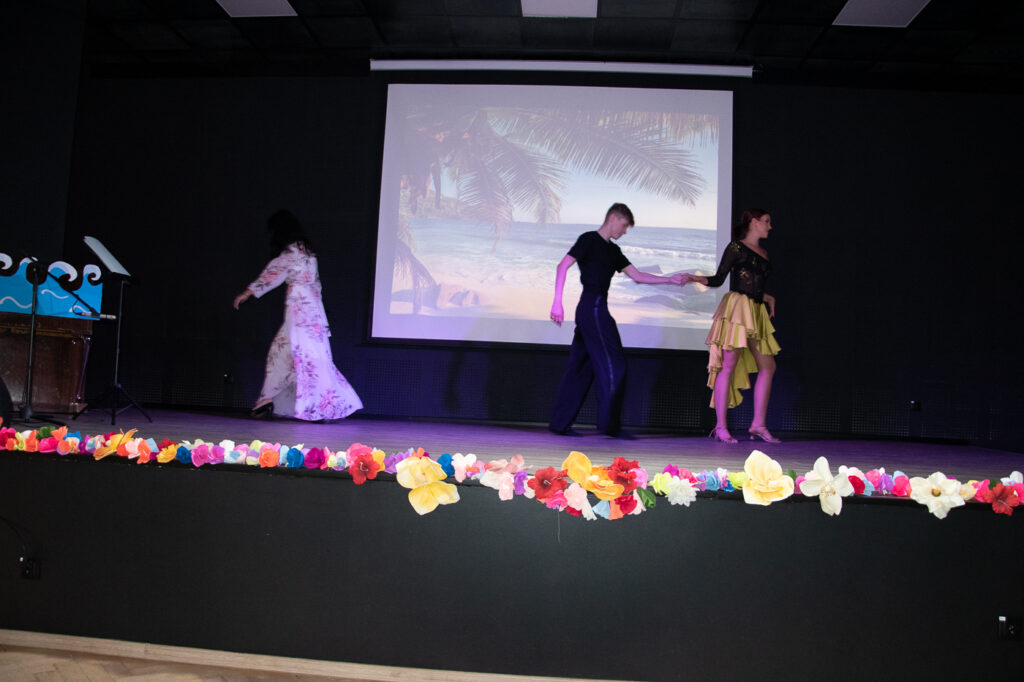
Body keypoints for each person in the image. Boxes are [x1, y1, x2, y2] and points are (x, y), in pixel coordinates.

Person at [549, 203, 686, 438]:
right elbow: (563, 266)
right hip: (592, 308)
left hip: (593, 309)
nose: (624, 232)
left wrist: (670, 280)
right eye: (623, 226)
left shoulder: (613, 251)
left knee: (581, 367)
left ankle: (559, 424)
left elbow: (638, 276)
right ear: (613, 217)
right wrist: (557, 303)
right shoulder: (588, 239)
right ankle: (611, 427)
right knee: (616, 365)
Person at [233, 210, 363, 421]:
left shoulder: (291, 253)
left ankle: (314, 406)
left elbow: (272, 275)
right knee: (291, 353)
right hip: (312, 308)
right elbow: (317, 285)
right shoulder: (309, 254)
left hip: (299, 307)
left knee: (296, 355)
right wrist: (322, 318)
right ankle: (269, 401)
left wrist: (247, 293)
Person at [686, 209, 781, 443]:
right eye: (767, 222)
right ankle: (720, 427)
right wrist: (698, 278)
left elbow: (755, 285)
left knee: (768, 366)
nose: (770, 226)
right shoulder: (736, 247)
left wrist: (767, 297)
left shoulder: (764, 253)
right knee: (728, 365)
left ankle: (758, 424)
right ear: (754, 222)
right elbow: (719, 279)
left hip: (755, 310)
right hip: (738, 308)